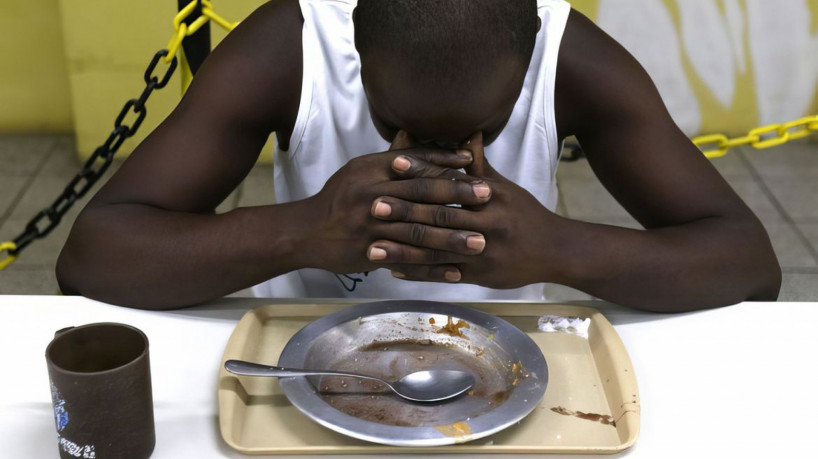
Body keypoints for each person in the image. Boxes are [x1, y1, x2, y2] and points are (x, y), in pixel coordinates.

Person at [56, 0, 781, 311]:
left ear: (529, 60)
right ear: (355, 54)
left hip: (510, 364)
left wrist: (561, 248)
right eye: (394, 123)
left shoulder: (572, 57)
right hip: (301, 355)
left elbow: (748, 263)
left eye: (480, 130)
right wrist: (302, 232)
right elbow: (94, 254)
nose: (442, 158)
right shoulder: (291, 45)